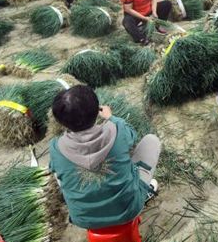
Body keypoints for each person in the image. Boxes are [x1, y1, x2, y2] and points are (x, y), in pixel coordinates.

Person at [48, 85, 160, 229]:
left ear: (60, 122)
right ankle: (142, 193)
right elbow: (132, 135)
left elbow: (56, 170)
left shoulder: (56, 147)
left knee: (57, 168)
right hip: (128, 211)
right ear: (97, 111)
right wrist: (111, 117)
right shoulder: (116, 130)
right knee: (152, 140)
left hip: (84, 219)